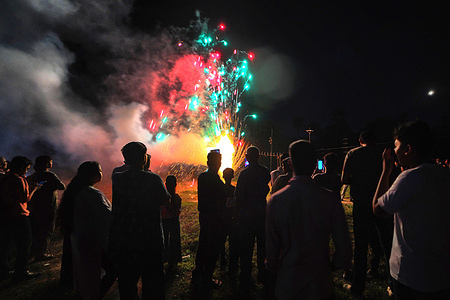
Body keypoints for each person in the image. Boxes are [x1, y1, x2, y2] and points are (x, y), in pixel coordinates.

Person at [373, 120, 450, 299]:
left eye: (396, 146)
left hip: (411, 273)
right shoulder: (444, 174)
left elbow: (379, 209)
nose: (394, 151)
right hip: (441, 272)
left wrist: (386, 170)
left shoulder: (409, 177)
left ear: (407, 149)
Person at [266, 140, 352, 299]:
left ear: (290, 163)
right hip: (320, 284)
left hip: (288, 283)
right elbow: (344, 249)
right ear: (314, 164)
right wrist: (329, 265)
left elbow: (271, 255)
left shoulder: (276, 200)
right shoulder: (330, 199)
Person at [109, 142, 170, 299]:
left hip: (125, 241)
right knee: (153, 284)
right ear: (144, 158)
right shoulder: (153, 179)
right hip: (150, 240)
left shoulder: (117, 179)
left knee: (127, 285)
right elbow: (165, 201)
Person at [341, 130, 393, 297]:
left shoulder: (353, 154)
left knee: (361, 245)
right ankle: (392, 283)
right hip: (382, 202)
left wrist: (359, 180)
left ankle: (358, 283)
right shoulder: (384, 154)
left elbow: (344, 179)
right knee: (386, 243)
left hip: (361, 204)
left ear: (360, 140)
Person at [71, 161, 115, 299]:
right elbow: (107, 216)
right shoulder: (92, 193)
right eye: (100, 170)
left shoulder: (78, 191)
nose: (102, 173)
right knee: (112, 270)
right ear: (93, 175)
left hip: (83, 238)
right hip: (94, 240)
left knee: (88, 274)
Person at [235, 146, 271, 293]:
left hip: (247, 216)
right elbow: (266, 188)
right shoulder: (264, 172)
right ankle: (263, 274)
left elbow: (239, 196)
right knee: (262, 246)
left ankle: (245, 276)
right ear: (259, 157)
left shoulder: (244, 174)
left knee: (247, 248)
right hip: (262, 214)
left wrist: (236, 215)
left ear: (248, 157)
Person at [0, 156, 41, 281]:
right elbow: (24, 198)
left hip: (5, 216)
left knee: (5, 245)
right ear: (22, 168)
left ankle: (4, 271)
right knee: (24, 244)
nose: (27, 172)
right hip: (19, 216)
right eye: (27, 169)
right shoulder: (18, 180)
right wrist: (34, 188)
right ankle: (21, 272)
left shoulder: (4, 177)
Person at [192, 150, 227, 293]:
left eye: (219, 161)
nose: (218, 164)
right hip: (213, 217)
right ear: (210, 163)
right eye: (217, 161)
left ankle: (197, 274)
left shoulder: (203, 177)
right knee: (213, 247)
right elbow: (221, 198)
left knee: (204, 244)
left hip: (205, 216)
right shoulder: (213, 179)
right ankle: (206, 278)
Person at [26, 155, 65, 261]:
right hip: (48, 208)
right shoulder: (49, 175)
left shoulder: (33, 176)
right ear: (47, 164)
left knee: (36, 230)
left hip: (34, 208)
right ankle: (40, 254)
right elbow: (62, 186)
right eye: (51, 162)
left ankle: (33, 252)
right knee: (46, 230)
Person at [220, 167, 239, 281]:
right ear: (233, 176)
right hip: (231, 218)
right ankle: (233, 262)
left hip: (222, 218)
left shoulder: (220, 189)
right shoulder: (234, 190)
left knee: (222, 239)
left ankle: (223, 258)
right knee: (233, 240)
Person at [161, 175, 182, 273]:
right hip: (172, 220)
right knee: (173, 239)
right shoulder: (176, 198)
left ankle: (168, 260)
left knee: (167, 239)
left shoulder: (165, 198)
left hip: (168, 220)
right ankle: (172, 260)